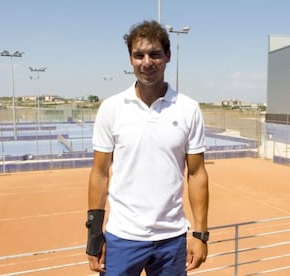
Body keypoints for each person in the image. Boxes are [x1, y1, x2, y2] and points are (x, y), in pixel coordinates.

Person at [86, 20, 209, 275]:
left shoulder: (188, 109)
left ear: (168, 56)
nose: (147, 62)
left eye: (154, 54)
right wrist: (94, 236)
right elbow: (99, 173)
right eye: (138, 55)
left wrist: (200, 234)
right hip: (122, 237)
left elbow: (196, 174)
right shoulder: (111, 108)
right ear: (130, 59)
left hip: (172, 239)